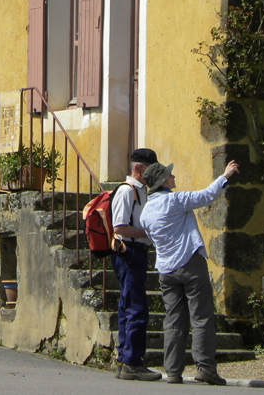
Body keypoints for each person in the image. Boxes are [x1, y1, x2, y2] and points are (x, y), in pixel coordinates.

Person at [140, 160, 240, 386]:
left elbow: (150, 235)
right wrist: (225, 176)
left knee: (173, 320)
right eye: (170, 175)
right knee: (201, 316)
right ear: (163, 181)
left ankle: (173, 370)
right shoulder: (174, 200)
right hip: (189, 262)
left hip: (166, 268)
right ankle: (205, 367)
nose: (173, 177)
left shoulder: (146, 212)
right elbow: (205, 196)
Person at [112, 148, 162, 381]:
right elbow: (119, 227)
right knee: (136, 307)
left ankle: (125, 360)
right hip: (130, 252)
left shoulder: (140, 191)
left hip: (136, 252)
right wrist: (149, 232)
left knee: (128, 305)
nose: (152, 174)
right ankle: (132, 361)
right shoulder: (126, 191)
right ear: (138, 168)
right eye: (150, 169)